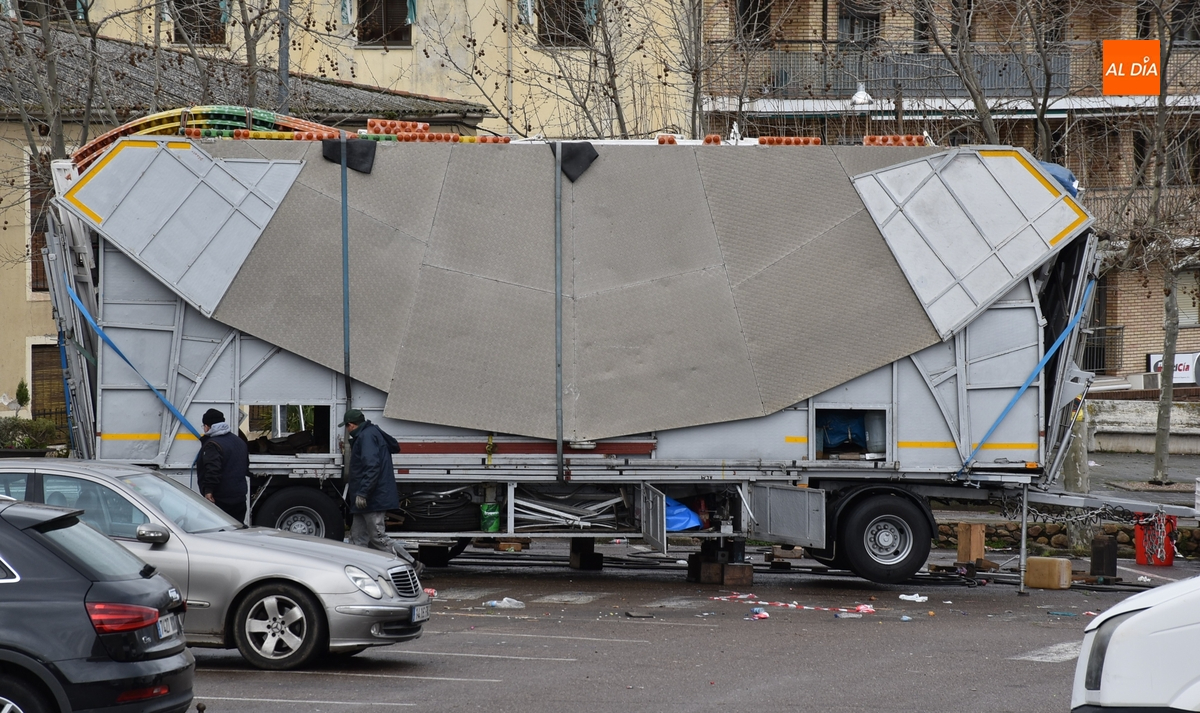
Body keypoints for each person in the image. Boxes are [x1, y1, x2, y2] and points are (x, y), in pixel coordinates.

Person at [340, 409, 420, 570]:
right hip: (367, 498)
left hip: (372, 498)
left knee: (378, 537)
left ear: (351, 425)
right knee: (358, 538)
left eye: (347, 427)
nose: (347, 430)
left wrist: (363, 493)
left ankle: (412, 564)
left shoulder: (366, 437)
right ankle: (360, 571)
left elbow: (371, 467)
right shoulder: (371, 432)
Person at [196, 408, 250, 523]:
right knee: (235, 532)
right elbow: (246, 466)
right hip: (239, 498)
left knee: (213, 533)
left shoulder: (213, 445)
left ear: (207, 426)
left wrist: (208, 491)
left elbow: (212, 470)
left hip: (220, 499)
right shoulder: (239, 441)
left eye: (204, 426)